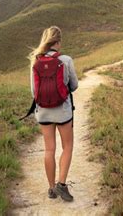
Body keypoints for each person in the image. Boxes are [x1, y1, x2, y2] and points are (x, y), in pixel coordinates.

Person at [28, 26, 78, 201]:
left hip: (44, 113)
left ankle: (51, 189)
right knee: (68, 147)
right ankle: (61, 185)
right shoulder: (66, 60)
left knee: (49, 149)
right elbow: (74, 86)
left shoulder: (35, 61)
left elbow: (34, 92)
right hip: (63, 112)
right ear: (58, 42)